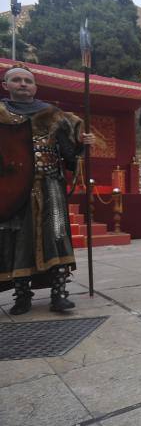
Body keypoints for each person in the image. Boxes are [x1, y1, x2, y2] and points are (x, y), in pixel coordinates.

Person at [0, 65, 95, 314]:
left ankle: (59, 294)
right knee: (16, 240)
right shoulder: (0, 114)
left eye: (28, 81)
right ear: (5, 85)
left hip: (50, 185)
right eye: (17, 80)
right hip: (13, 189)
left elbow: (69, 154)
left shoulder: (53, 115)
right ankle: (22, 297)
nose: (23, 84)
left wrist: (83, 146)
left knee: (57, 236)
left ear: (35, 87)